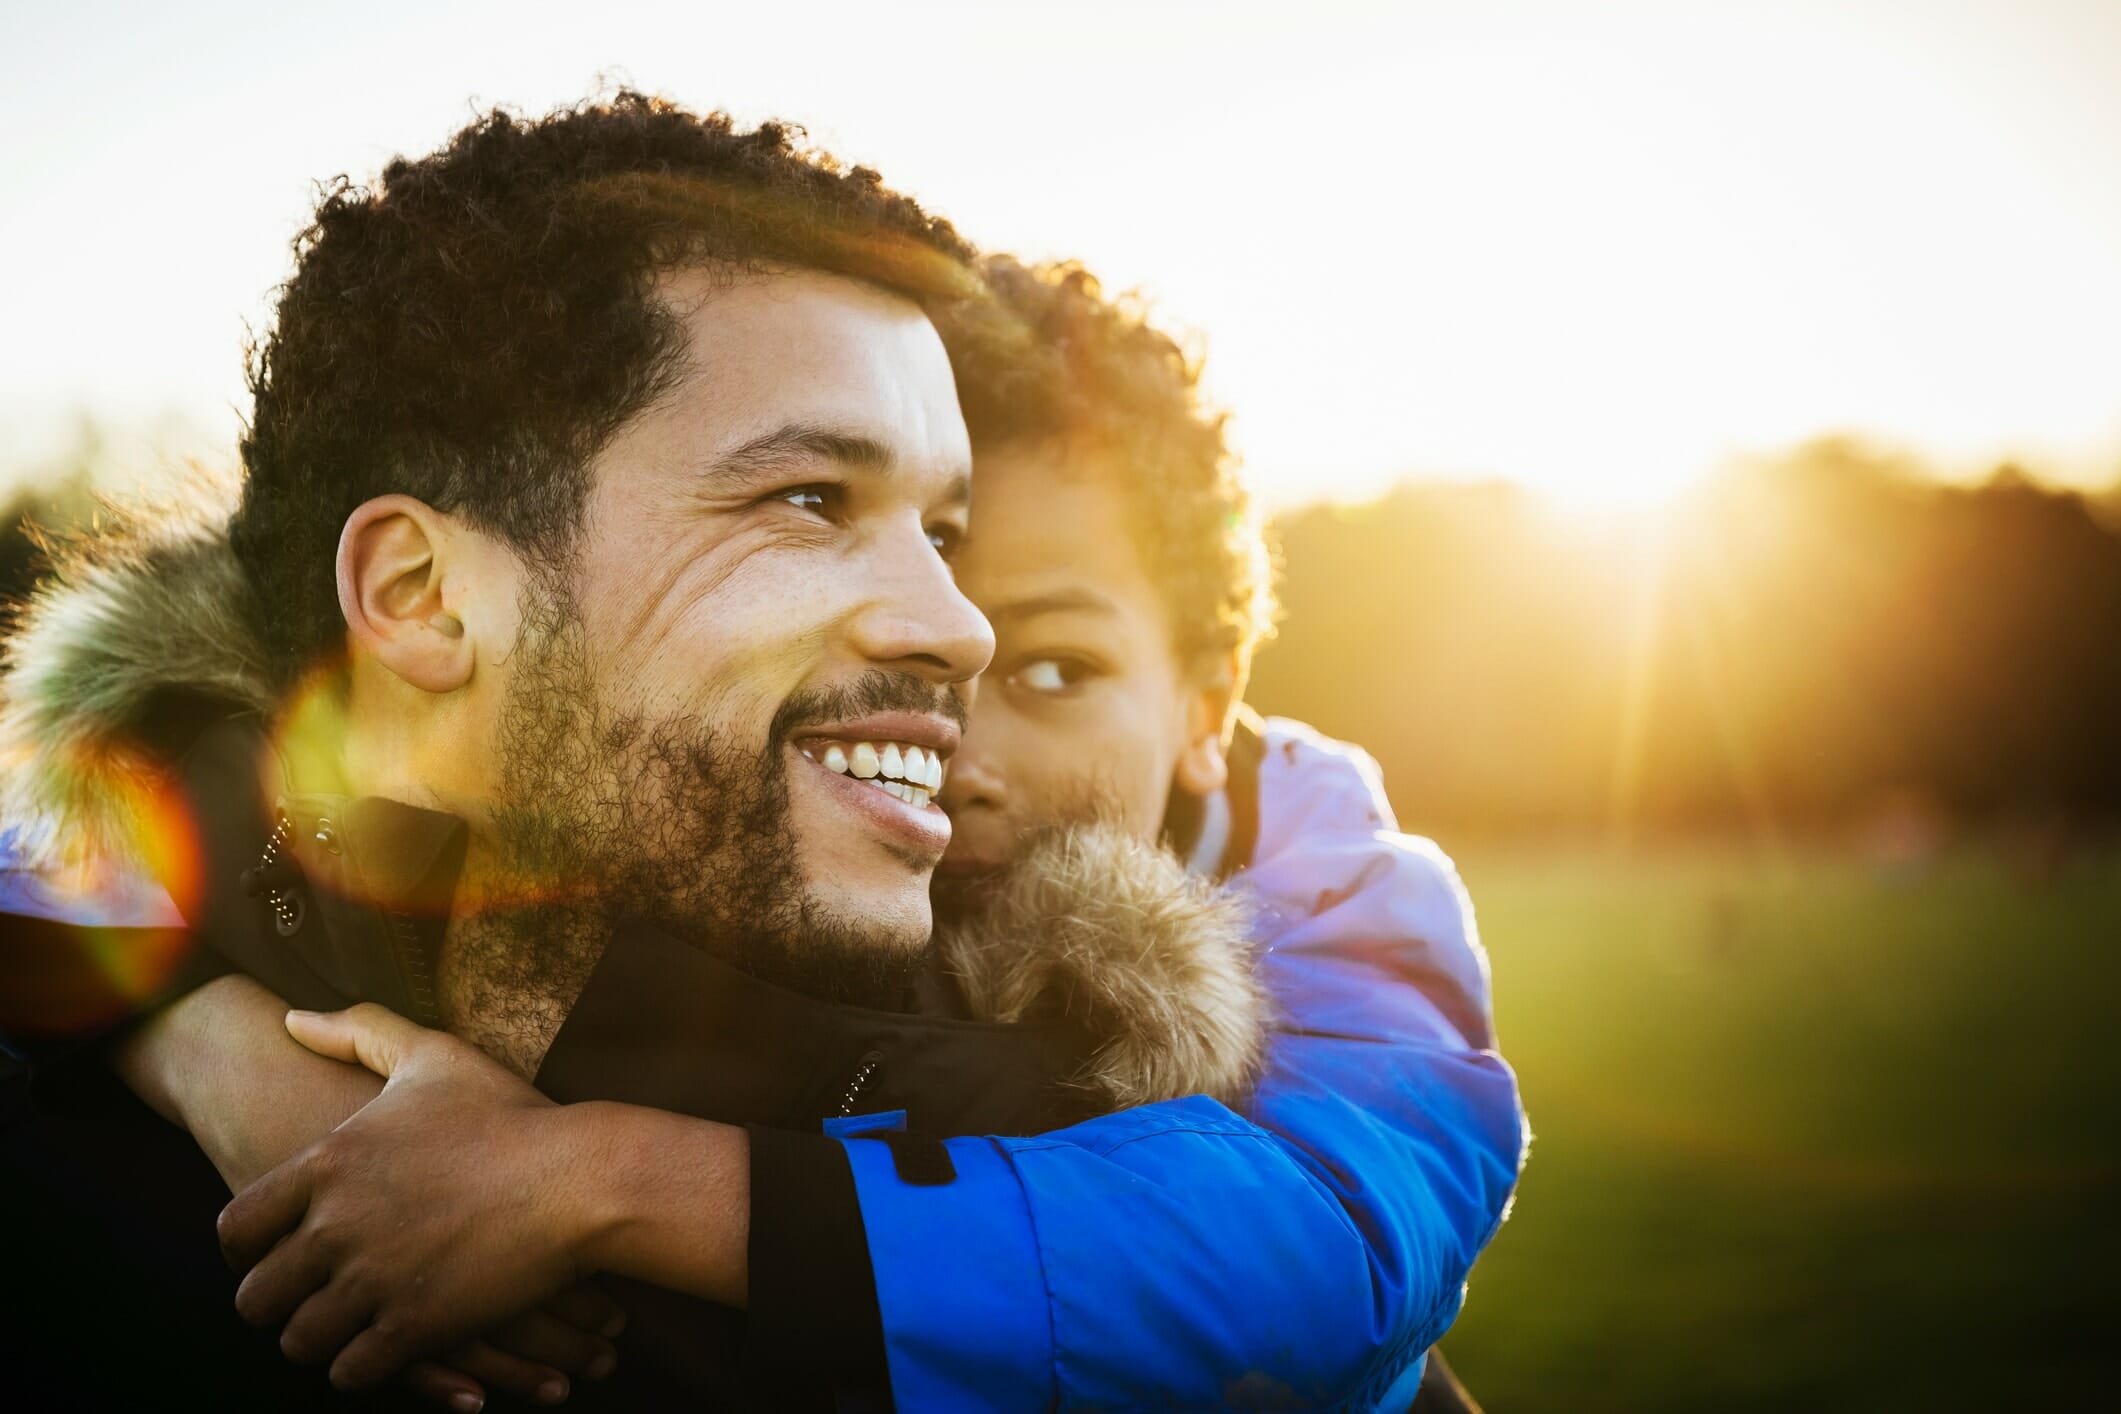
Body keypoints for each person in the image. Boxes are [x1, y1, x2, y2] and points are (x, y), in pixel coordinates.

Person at [2, 95, 1524, 1411]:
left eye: (943, 532)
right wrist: (205, 1039)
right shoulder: (151, 968)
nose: (962, 639)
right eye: (808, 499)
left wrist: (595, 1176)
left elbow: (1320, 1256)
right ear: (417, 596)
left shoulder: (1123, 1075)